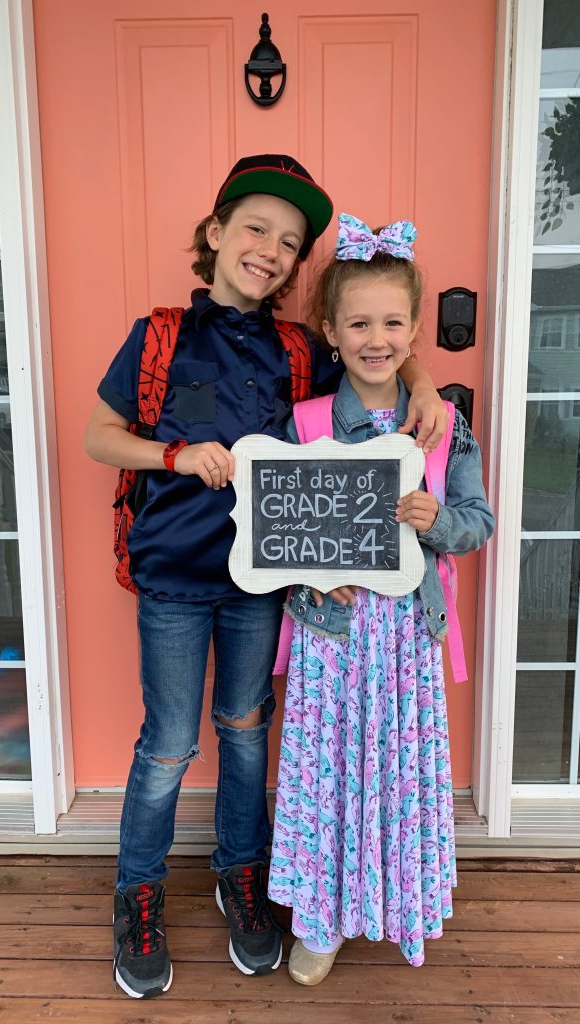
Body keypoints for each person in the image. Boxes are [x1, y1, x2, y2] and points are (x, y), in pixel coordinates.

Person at [84, 159, 448, 999]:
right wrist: (174, 455)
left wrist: (424, 379)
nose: (270, 250)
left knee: (247, 731)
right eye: (255, 228)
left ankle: (242, 876)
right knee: (169, 742)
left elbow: (374, 356)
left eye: (289, 243)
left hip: (264, 584)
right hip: (173, 577)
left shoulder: (298, 350)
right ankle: (137, 893)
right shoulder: (159, 336)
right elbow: (101, 435)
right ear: (215, 234)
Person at [268, 214, 494, 985]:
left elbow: (477, 520)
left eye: (392, 322)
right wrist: (307, 567)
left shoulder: (440, 426)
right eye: (358, 324)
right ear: (331, 332)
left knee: (398, 776)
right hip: (330, 638)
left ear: (414, 329)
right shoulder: (304, 426)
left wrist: (438, 522)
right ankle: (321, 921)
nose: (376, 338)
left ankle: (398, 904)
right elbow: (277, 526)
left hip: (405, 638)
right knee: (326, 776)